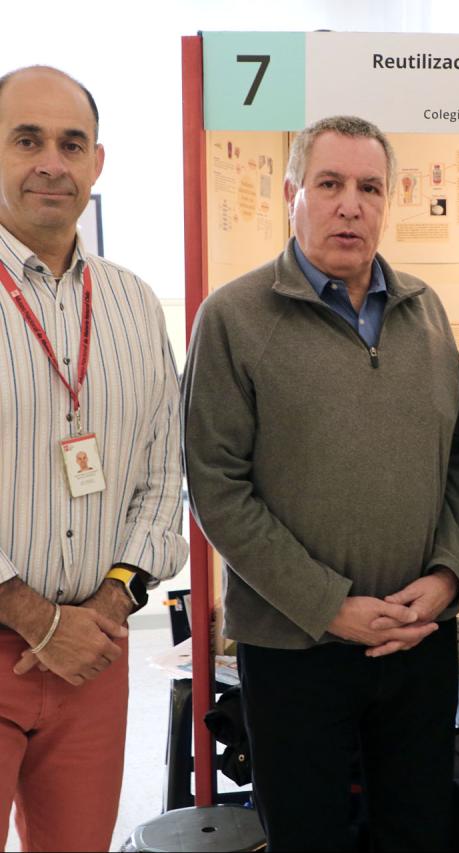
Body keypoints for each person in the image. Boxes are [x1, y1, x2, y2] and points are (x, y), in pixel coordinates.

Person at [182, 115, 459, 851]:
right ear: (292, 194)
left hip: (417, 640)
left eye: (369, 187)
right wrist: (329, 605)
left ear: (389, 199)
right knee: (308, 835)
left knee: (420, 832)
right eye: (330, 184)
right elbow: (216, 486)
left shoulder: (426, 313)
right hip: (294, 647)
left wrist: (446, 576)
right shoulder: (234, 317)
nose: (351, 204)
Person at [0, 65, 188, 852]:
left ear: (97, 163)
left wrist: (109, 606)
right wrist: (36, 618)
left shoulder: (132, 303)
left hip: (92, 658)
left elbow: (160, 470)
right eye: (27, 140)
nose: (53, 161)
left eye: (71, 143)